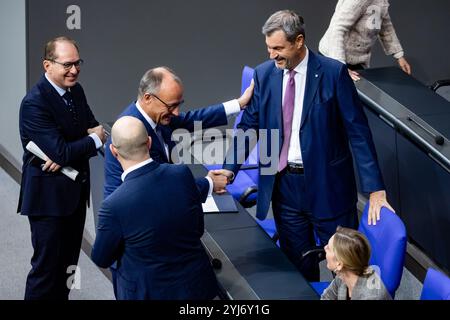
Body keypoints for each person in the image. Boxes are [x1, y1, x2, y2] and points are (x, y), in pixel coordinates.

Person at [218, 10, 394, 281]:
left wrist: (376, 189)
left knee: (347, 270)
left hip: (328, 187)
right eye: (268, 48)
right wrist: (229, 170)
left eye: (278, 48)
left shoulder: (333, 73)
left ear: (299, 41)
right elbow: (247, 127)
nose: (272, 55)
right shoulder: (265, 75)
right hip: (285, 187)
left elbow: (358, 133)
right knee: (297, 266)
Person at [91, 116, 219, 300]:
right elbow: (197, 229)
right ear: (149, 142)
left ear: (113, 150)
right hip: (196, 289)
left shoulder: (113, 206)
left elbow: (101, 258)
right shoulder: (182, 174)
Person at [18, 36, 106, 299]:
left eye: (78, 63)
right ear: (48, 65)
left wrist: (70, 149)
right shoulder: (34, 102)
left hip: (75, 195)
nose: (75, 70)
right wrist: (89, 140)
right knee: (46, 271)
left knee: (68, 267)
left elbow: (93, 126)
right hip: (49, 200)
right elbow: (82, 141)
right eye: (67, 64)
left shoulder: (75, 91)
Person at [103, 66, 254, 201]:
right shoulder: (134, 136)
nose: (176, 113)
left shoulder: (156, 116)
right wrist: (209, 183)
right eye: (171, 106)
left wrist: (239, 104)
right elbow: (165, 188)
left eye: (178, 105)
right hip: (134, 217)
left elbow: (193, 118)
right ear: (148, 98)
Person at [319, 0, 411, 81]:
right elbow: (337, 27)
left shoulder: (381, 1)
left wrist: (399, 56)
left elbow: (386, 27)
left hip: (356, 63)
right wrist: (339, 66)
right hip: (332, 60)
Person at [321, 226, 392, 300]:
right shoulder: (342, 275)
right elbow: (326, 297)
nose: (325, 248)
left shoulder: (371, 297)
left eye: (328, 248)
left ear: (339, 264)